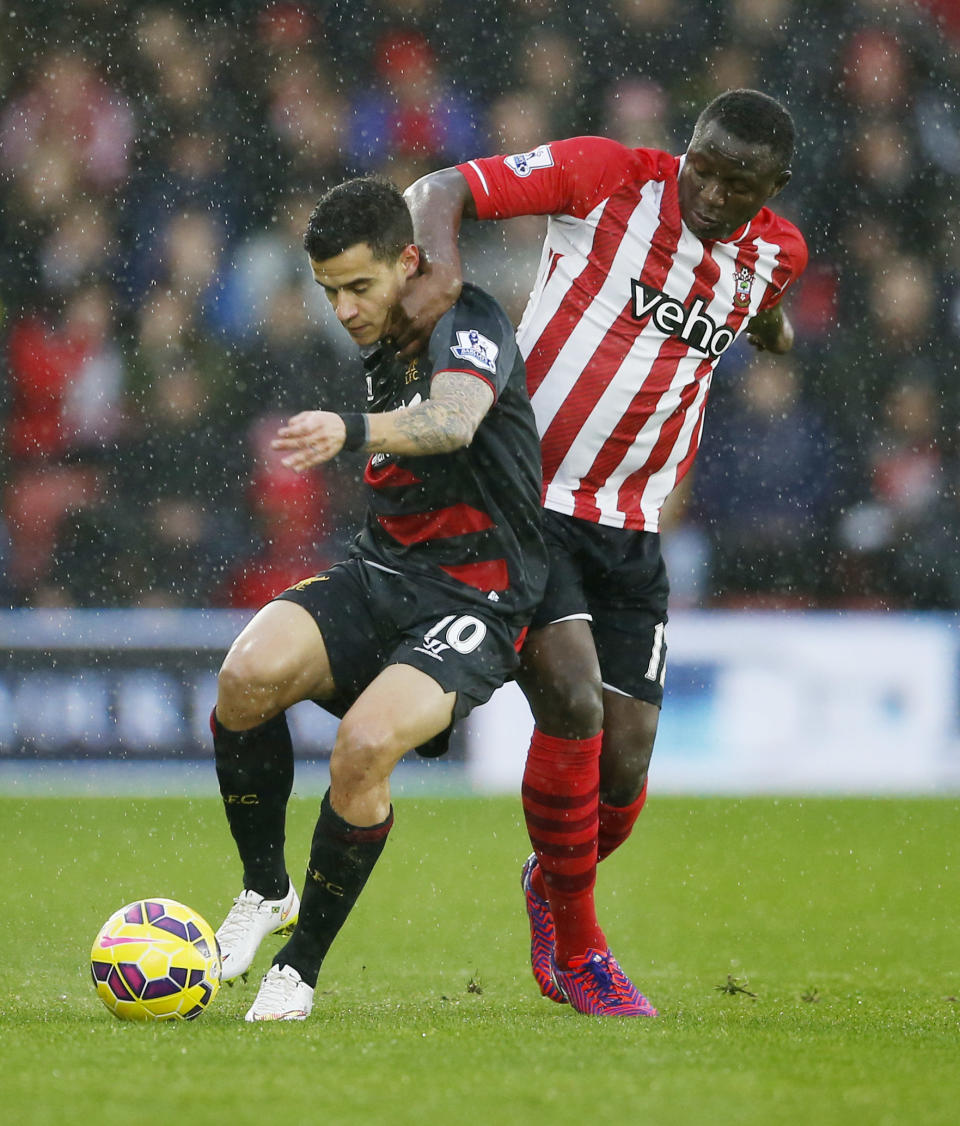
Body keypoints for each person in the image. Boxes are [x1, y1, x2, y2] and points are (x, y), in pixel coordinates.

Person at [400, 89, 808, 1017]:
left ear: (771, 190)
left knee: (625, 764)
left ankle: (550, 887)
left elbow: (766, 298)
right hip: (524, 494)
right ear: (687, 148)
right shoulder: (605, 177)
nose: (707, 190)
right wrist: (440, 285)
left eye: (736, 183)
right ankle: (581, 952)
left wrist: (772, 326)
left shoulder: (777, 252)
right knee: (575, 701)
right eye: (701, 165)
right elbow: (438, 188)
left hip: (633, 527)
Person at [211, 176, 547, 1022]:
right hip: (383, 569)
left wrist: (351, 430)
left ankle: (301, 967)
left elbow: (456, 420)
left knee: (363, 747)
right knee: (245, 678)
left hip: (477, 594)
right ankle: (266, 891)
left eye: (360, 287)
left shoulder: (466, 322)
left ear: (408, 262)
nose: (346, 309)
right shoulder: (377, 335)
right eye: (329, 293)